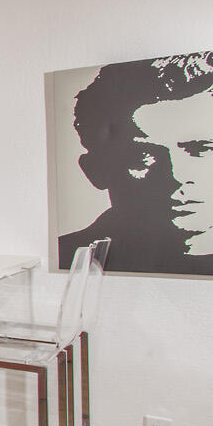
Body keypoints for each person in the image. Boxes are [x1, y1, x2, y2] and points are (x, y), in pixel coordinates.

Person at [59, 49, 213, 275]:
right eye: (144, 155)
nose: (178, 176)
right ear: (95, 170)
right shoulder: (71, 256)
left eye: (201, 149)